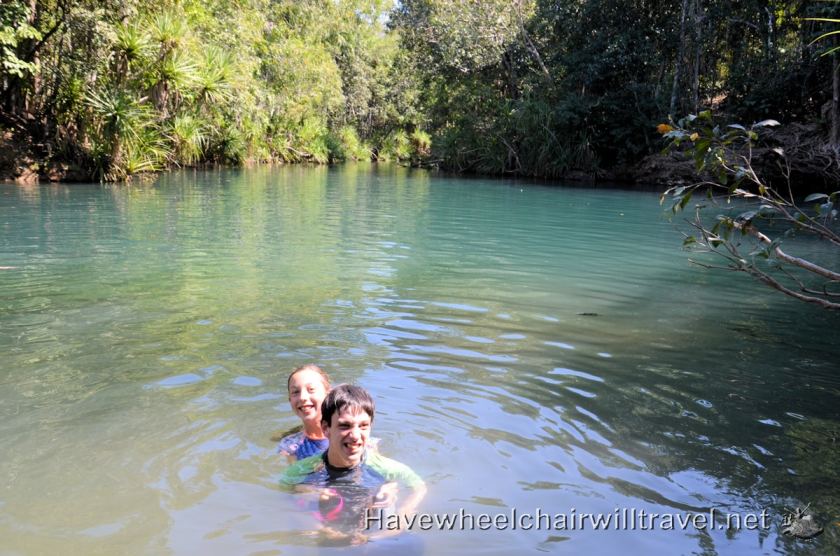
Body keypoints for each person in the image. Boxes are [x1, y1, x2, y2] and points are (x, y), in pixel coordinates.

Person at [279, 384, 426, 544]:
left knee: (414, 544)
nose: (355, 435)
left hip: (374, 537)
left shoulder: (384, 467)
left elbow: (419, 487)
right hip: (329, 537)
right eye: (345, 426)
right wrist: (318, 525)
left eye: (363, 426)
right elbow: (284, 494)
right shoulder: (301, 471)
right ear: (326, 428)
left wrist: (402, 517)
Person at [276, 364, 331, 463]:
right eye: (295, 392)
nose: (302, 397)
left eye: (311, 389)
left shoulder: (347, 432)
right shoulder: (289, 446)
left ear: (328, 394)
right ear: (290, 400)